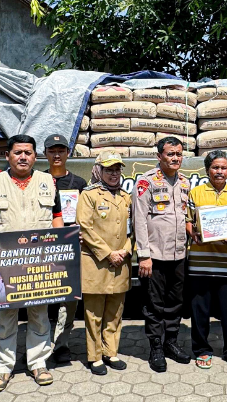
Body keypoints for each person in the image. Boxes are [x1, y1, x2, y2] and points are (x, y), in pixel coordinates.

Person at [0, 134, 62, 393]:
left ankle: (38, 364)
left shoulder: (48, 182)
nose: (23, 157)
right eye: (18, 152)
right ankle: (2, 369)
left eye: (28, 153)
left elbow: (56, 219)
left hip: (40, 264)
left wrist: (60, 249)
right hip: (4, 264)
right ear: (7, 155)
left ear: (36, 156)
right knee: (5, 316)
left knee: (39, 315)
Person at [133, 137, 191, 372]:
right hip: (155, 256)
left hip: (178, 254)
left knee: (175, 303)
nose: (175, 158)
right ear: (159, 156)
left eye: (178, 154)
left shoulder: (185, 182)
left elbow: (186, 216)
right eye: (170, 154)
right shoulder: (146, 182)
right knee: (154, 304)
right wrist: (144, 255)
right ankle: (155, 347)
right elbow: (138, 220)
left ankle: (171, 343)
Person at [185, 150, 227, 369]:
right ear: (207, 169)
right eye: (215, 167)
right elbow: (188, 220)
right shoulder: (196, 193)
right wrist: (192, 232)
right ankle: (201, 349)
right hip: (200, 263)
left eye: (223, 168)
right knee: (199, 311)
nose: (219, 171)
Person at [77, 151, 132, 376]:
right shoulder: (89, 195)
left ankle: (111, 352)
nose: (114, 174)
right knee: (94, 314)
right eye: (109, 169)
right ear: (99, 170)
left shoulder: (125, 196)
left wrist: (126, 251)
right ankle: (95, 356)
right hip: (96, 263)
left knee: (115, 312)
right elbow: (84, 227)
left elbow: (134, 228)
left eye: (117, 169)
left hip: (121, 263)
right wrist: (109, 254)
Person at [43, 133, 87, 365]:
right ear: (45, 154)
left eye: (61, 150)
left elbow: (86, 216)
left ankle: (62, 344)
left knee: (68, 300)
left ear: (68, 153)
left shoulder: (79, 183)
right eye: (52, 151)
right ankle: (39, 346)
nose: (57, 155)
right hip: (43, 249)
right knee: (40, 299)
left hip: (70, 250)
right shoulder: (37, 180)